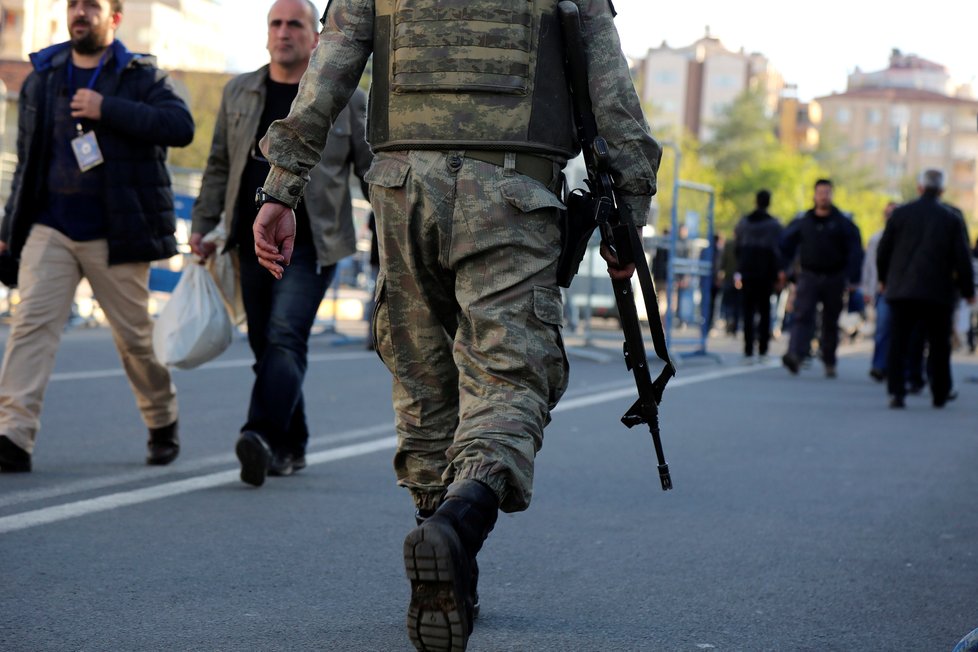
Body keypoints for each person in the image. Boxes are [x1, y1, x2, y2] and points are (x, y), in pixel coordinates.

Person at [252, 1, 660, 649]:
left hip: (399, 186)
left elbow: (328, 70)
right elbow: (610, 88)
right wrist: (628, 213)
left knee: (423, 378)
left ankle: (441, 547)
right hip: (512, 189)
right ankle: (459, 526)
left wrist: (280, 189)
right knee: (509, 378)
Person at [0, 0, 193, 473]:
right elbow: (28, 161)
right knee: (31, 327)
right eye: (74, 5)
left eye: (92, 6)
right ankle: (13, 435)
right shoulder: (45, 75)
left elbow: (180, 127)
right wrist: (9, 230)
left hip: (116, 231)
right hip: (52, 227)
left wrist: (108, 108)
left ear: (115, 18)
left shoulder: (140, 74)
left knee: (135, 339)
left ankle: (161, 419)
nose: (79, 13)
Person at [189, 0, 372, 487]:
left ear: (316, 38)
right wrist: (203, 224)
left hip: (315, 240)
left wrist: (394, 233)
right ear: (267, 33)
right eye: (276, 23)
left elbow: (372, 172)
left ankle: (260, 435)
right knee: (264, 343)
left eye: (296, 23)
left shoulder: (347, 98)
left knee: (286, 335)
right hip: (249, 238)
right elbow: (219, 164)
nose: (284, 32)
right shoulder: (239, 91)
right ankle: (292, 441)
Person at [877, 169, 975, 408]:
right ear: (942, 190)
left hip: (902, 290)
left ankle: (896, 392)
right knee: (939, 345)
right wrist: (968, 290)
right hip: (938, 292)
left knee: (899, 342)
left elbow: (884, 250)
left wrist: (884, 279)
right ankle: (940, 392)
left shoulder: (900, 215)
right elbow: (962, 257)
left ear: (920, 187)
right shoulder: (951, 218)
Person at [780, 179, 862, 378]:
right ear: (814, 195)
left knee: (830, 321)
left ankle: (829, 360)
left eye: (827, 192)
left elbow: (855, 250)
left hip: (834, 277)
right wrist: (786, 270)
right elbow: (784, 243)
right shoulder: (804, 220)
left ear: (831, 195)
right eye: (820, 192)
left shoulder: (842, 222)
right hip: (809, 275)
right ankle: (795, 355)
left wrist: (852, 278)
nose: (824, 196)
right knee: (802, 316)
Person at [734, 189, 784, 361]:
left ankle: (748, 348)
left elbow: (737, 248)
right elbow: (779, 251)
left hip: (748, 271)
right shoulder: (774, 225)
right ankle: (763, 348)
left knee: (748, 311)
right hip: (766, 273)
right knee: (764, 310)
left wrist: (739, 268)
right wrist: (778, 273)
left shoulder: (744, 223)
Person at [862, 201, 898, 381]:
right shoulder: (877, 238)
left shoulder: (906, 238)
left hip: (903, 290)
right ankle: (879, 366)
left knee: (901, 331)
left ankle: (899, 368)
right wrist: (867, 288)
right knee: (883, 327)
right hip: (882, 289)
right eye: (888, 213)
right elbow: (869, 265)